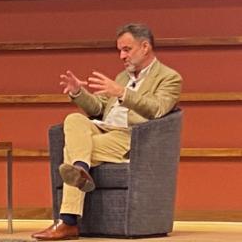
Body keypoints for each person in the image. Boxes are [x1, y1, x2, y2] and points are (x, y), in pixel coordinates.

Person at [32, 23, 182, 241]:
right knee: (73, 119)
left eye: (127, 49)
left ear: (145, 46)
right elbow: (98, 108)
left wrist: (122, 93)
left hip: (131, 136)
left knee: (72, 151)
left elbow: (157, 109)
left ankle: (68, 221)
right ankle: (81, 168)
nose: (122, 56)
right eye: (119, 50)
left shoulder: (169, 77)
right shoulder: (123, 77)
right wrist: (78, 92)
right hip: (103, 129)